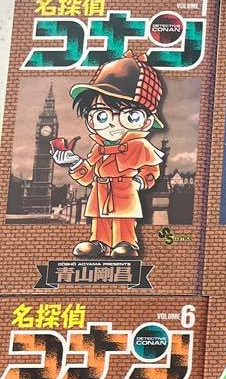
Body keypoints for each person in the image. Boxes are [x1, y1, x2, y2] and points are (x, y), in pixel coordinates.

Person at [51, 52, 165, 259]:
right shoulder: (98, 149)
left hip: (125, 189)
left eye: (129, 116)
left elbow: (151, 170)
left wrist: (140, 181)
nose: (112, 124)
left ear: (146, 121)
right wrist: (74, 162)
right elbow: (89, 176)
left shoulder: (140, 146)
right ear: (90, 119)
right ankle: (99, 243)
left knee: (124, 220)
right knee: (100, 219)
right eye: (102, 115)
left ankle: (126, 243)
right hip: (100, 191)